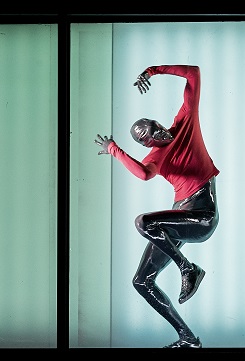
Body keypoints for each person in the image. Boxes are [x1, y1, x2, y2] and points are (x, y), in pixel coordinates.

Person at [94, 65, 219, 348]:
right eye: (154, 136)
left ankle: (188, 269)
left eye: (158, 127)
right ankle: (188, 339)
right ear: (148, 144)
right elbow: (143, 173)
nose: (162, 134)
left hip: (202, 215)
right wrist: (114, 149)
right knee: (142, 282)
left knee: (144, 222)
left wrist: (152, 71)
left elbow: (194, 74)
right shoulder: (156, 157)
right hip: (178, 218)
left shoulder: (185, 121)